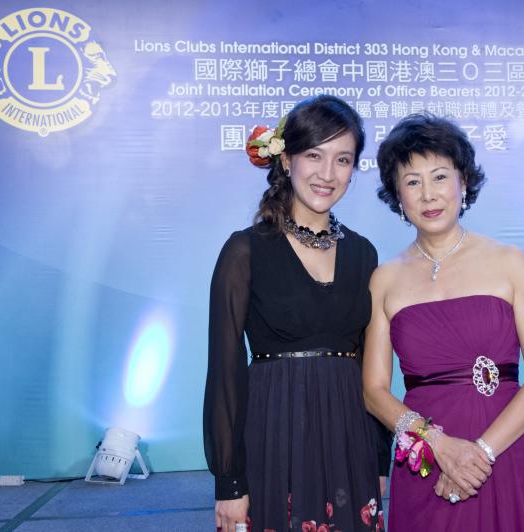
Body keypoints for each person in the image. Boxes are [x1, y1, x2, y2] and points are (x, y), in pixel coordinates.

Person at [363, 113, 524, 531]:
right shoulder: (384, 279)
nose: (428, 194)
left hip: (508, 449)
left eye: (440, 177)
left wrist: (480, 454)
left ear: (464, 182)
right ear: (397, 195)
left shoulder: (510, 262)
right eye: (412, 182)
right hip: (426, 461)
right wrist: (438, 444)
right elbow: (374, 392)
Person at [204, 95, 389, 532]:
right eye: (314, 156)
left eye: (343, 160)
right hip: (273, 435)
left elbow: (371, 366)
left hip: (349, 441)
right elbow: (225, 370)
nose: (328, 174)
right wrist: (229, 481)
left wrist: (380, 458)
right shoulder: (246, 250)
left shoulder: (364, 253)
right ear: (286, 160)